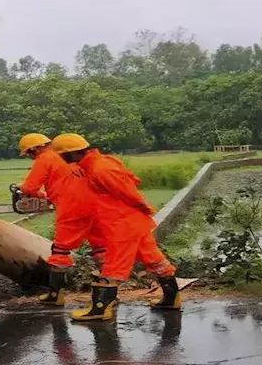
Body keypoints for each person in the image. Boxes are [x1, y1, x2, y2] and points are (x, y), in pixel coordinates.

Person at [51, 133, 180, 322]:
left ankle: (101, 308)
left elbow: (128, 190)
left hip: (122, 225)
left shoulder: (100, 168)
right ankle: (171, 299)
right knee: (155, 260)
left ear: (72, 154)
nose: (62, 160)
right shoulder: (91, 166)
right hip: (131, 223)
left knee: (113, 267)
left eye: (63, 156)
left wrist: (144, 207)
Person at [17, 133, 105, 306]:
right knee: (100, 248)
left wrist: (26, 189)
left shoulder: (45, 158)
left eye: (29, 153)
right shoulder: (68, 154)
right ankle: (109, 293)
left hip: (71, 209)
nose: (29, 157)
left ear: (35, 149)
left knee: (60, 251)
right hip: (94, 205)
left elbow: (30, 187)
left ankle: (56, 294)